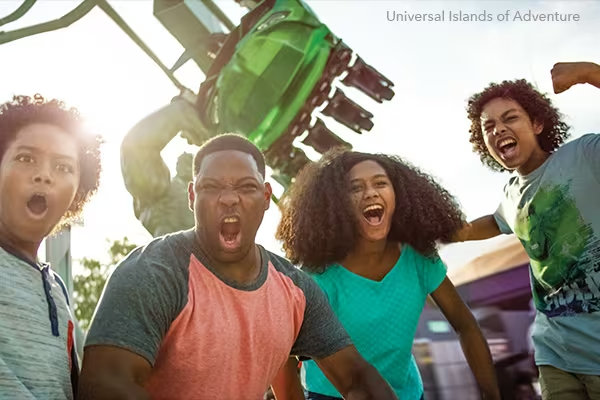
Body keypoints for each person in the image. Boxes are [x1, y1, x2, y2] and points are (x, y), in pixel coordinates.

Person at [78, 134, 398, 400]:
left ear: (265, 196)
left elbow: (356, 376)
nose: (229, 199)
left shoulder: (296, 290)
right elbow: (104, 385)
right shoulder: (151, 272)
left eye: (246, 187)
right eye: (212, 187)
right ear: (192, 196)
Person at [272, 148, 501, 400]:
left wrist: (492, 395)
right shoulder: (318, 278)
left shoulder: (418, 259)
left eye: (380, 183)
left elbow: (465, 324)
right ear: (336, 204)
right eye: (355, 188)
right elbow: (282, 359)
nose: (370, 192)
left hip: (408, 395)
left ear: (399, 195)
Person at [450, 61, 600, 398]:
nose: (497, 129)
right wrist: (446, 231)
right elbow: (496, 222)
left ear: (537, 122)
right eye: (488, 126)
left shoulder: (584, 154)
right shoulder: (511, 191)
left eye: (510, 118)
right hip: (556, 353)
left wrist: (589, 73)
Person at [0, 94, 102, 399]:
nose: (44, 174)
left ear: (77, 193)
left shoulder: (56, 288)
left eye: (63, 167)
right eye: (26, 158)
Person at [120, 90, 210, 237]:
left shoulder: (209, 202)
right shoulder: (164, 191)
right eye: (184, 162)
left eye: (191, 163)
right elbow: (136, 149)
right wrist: (179, 114)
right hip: (174, 256)